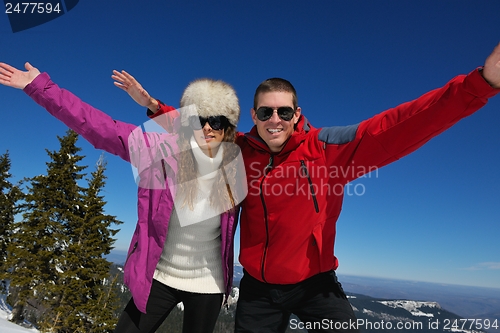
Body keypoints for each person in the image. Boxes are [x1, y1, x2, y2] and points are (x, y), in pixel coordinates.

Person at [115, 44, 500, 332]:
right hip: (258, 291)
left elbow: (399, 126)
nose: (275, 119)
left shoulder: (328, 151)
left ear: (297, 114)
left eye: (284, 111)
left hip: (316, 289)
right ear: (254, 116)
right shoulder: (239, 153)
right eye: (266, 112)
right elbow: (202, 129)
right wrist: (153, 106)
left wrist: (480, 84)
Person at [0, 62, 247, 333]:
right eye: (199, 120)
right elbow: (98, 125)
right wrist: (40, 88)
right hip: (160, 277)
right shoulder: (157, 152)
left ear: (228, 129)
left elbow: (277, 139)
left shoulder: (239, 167)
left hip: (208, 285)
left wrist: (155, 105)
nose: (208, 128)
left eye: (218, 121)